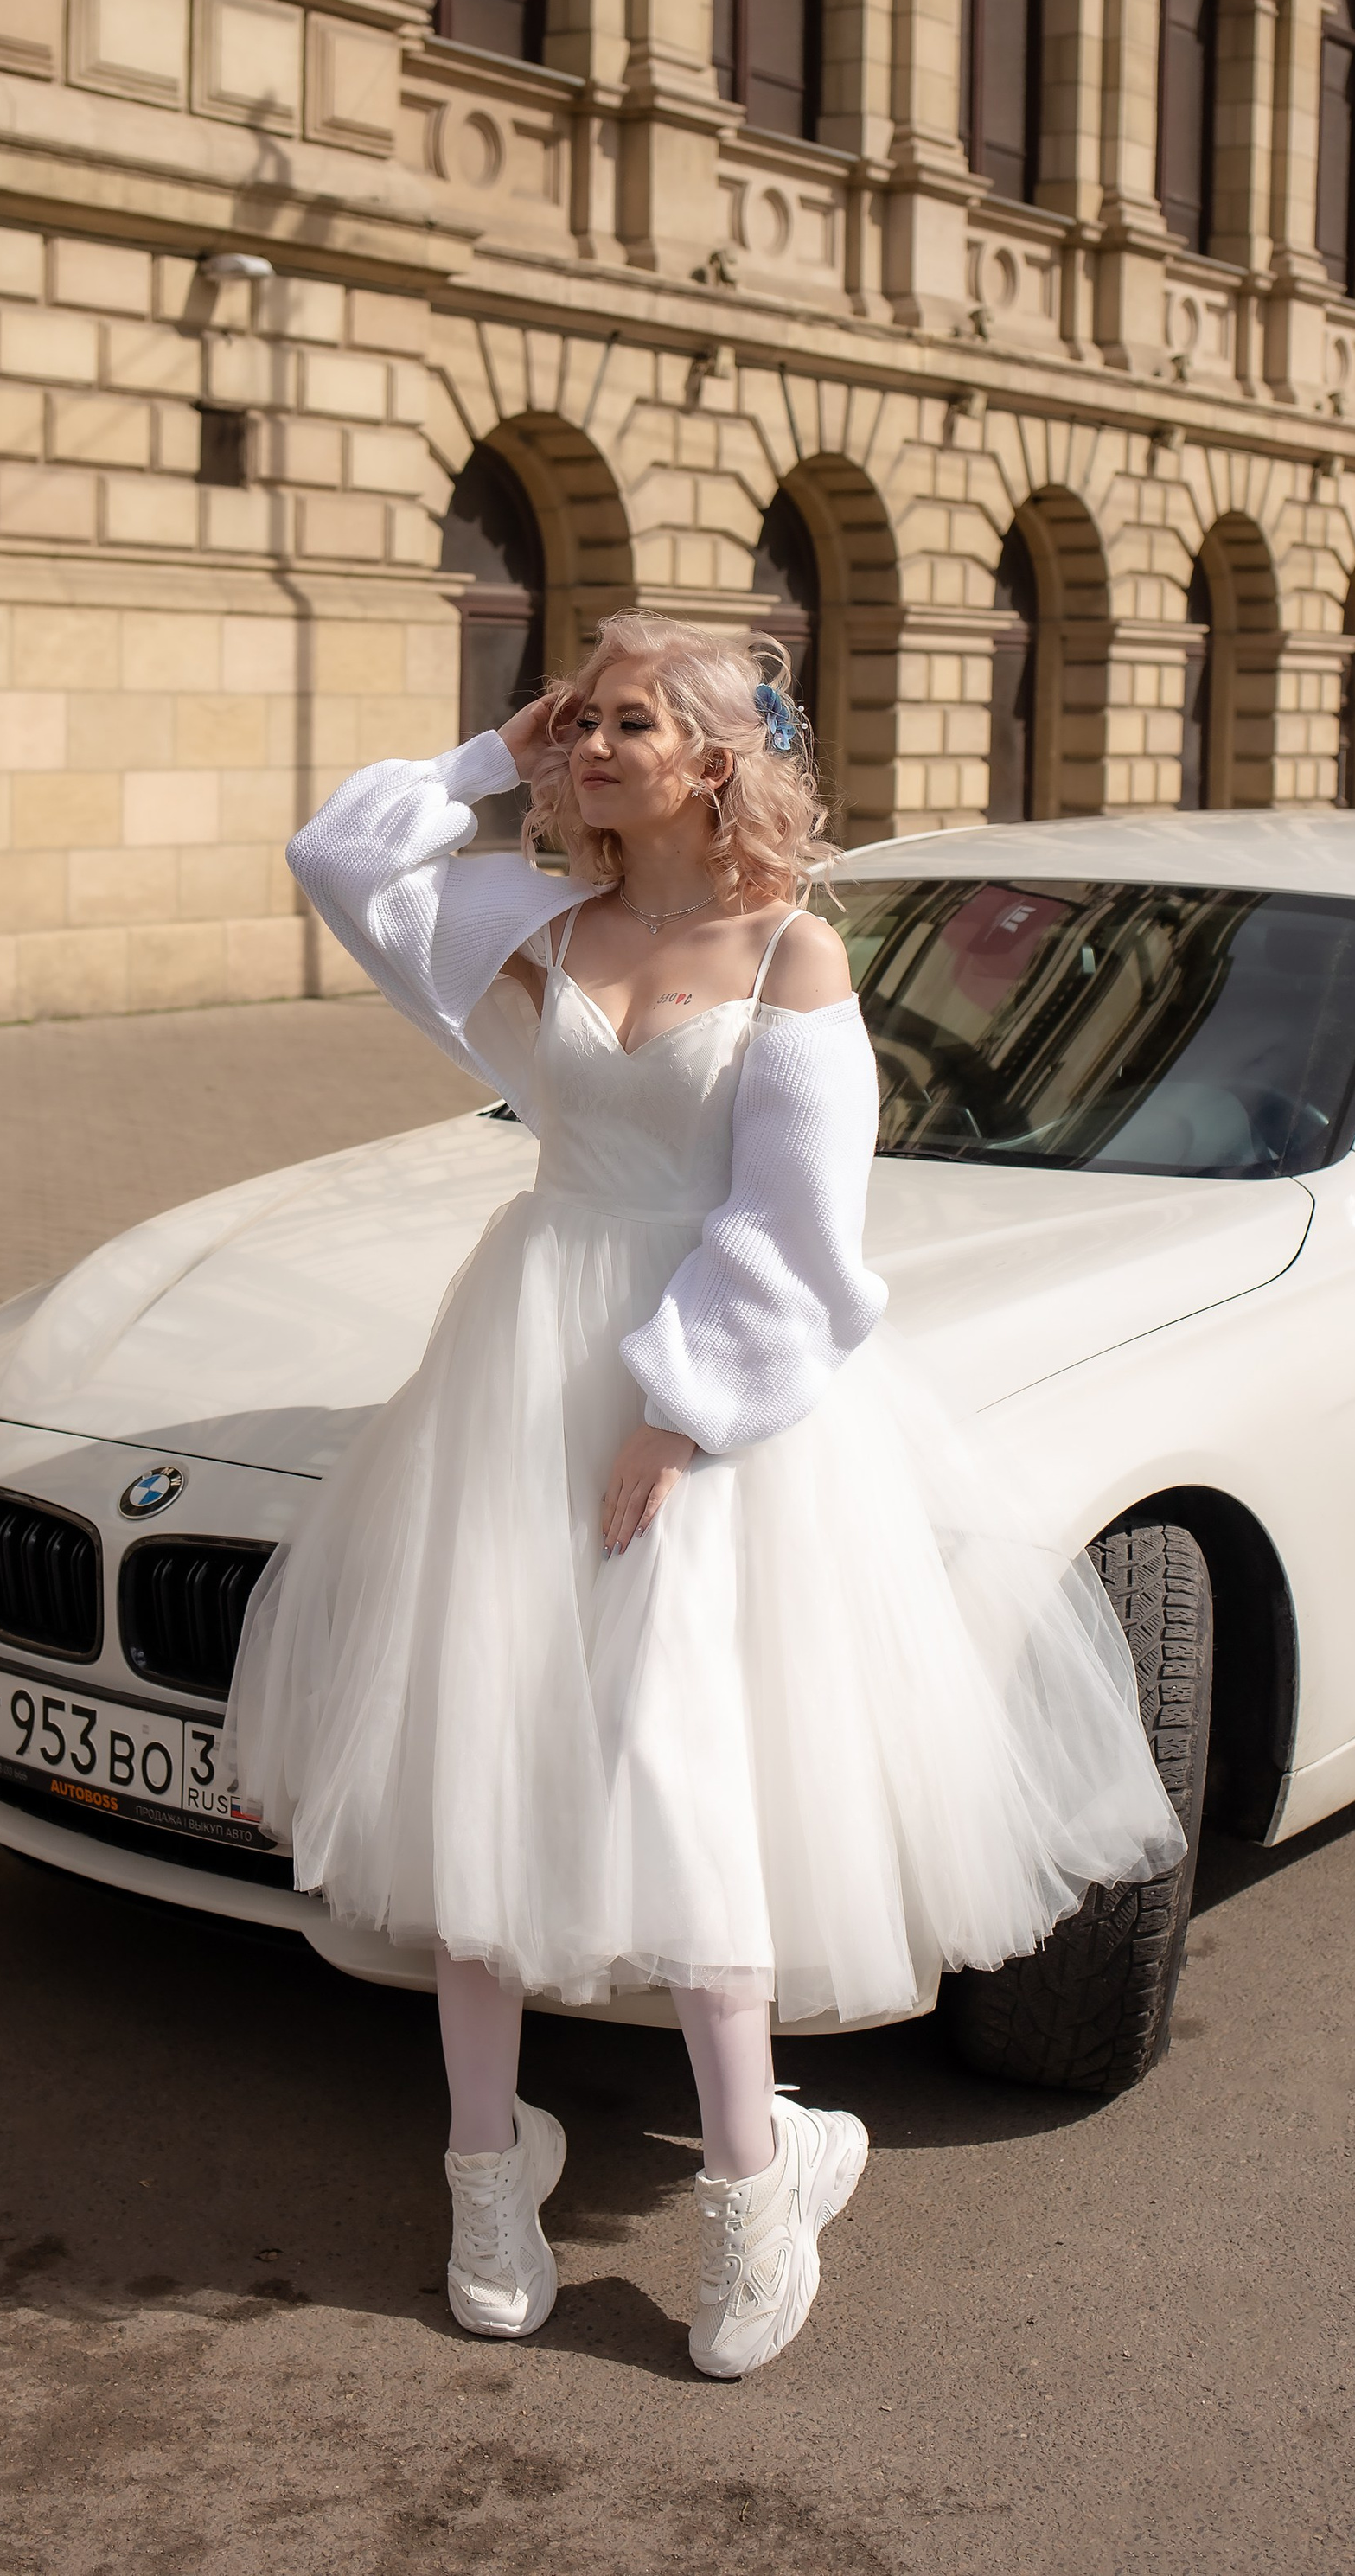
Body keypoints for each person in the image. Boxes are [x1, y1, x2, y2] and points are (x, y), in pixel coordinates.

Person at [232, 610, 1184, 2378]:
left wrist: (673, 1419)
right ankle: (486, 2166)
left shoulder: (789, 951)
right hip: (521, 1369)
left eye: (629, 724)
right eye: (580, 722)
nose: (592, 747)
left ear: (715, 763)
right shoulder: (536, 926)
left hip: (705, 1407)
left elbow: (800, 1232)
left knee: (683, 1767)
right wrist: (491, 754)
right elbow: (338, 857)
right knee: (482, 1750)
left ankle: (758, 2179)